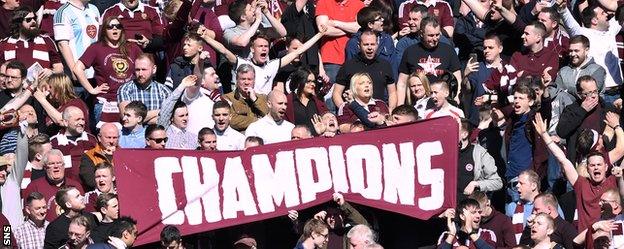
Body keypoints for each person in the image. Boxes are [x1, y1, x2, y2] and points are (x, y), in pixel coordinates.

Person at [535, 112, 622, 232]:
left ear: (606, 167)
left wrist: (620, 178)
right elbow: (563, 159)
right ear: (587, 168)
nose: (596, 168)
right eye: (592, 165)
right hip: (587, 240)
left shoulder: (614, 181)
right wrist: (545, 135)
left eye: (599, 165)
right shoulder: (581, 184)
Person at [203, 28, 325, 94]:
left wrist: (319, 35)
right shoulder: (244, 64)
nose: (264, 49)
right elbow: (224, 51)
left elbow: (298, 51)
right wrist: (205, 37)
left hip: (265, 109)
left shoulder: (272, 65)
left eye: (266, 46)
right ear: (252, 48)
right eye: (260, 46)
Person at [73, 17, 142, 127]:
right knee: (108, 137)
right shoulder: (96, 48)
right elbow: (77, 68)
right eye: (110, 27)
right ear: (104, 30)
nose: (115, 29)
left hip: (130, 101)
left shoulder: (132, 48)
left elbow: (145, 67)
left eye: (118, 26)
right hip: (106, 101)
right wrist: (91, 90)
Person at [557, 0, 622, 104]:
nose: (607, 14)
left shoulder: (611, 30)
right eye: (602, 13)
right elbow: (569, 22)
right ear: (594, 20)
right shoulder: (583, 34)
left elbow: (622, 12)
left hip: (619, 92)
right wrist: (563, 8)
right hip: (601, 95)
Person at [396, 16, 461, 105]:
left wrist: (457, 97)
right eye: (430, 35)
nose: (434, 39)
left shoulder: (448, 50)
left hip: (443, 102)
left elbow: (457, 77)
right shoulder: (410, 51)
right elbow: (402, 83)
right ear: (421, 33)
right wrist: (400, 106)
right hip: (418, 103)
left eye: (437, 35)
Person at [334, 30, 396, 111]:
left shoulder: (385, 65)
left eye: (372, 44)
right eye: (366, 44)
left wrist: (390, 111)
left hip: (379, 113)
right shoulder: (348, 66)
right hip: (355, 115)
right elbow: (336, 93)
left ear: (377, 45)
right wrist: (346, 110)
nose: (370, 48)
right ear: (359, 46)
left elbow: (392, 92)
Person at [556, 76, 609, 162]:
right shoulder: (571, 110)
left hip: (601, 161)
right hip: (579, 161)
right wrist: (582, 111)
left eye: (595, 92)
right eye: (588, 93)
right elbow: (561, 132)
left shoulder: (606, 108)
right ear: (580, 94)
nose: (593, 96)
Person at [53, 0, 100, 96]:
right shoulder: (62, 12)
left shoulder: (94, 9)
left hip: (96, 74)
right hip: (77, 79)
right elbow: (62, 45)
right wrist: (74, 71)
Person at [24, 149, 84, 222]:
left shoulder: (75, 186)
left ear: (64, 166)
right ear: (45, 167)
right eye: (51, 163)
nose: (56, 166)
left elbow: (83, 212)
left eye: (59, 163)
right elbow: (27, 214)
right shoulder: (34, 187)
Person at [0, 6, 63, 73]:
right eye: (28, 19)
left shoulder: (47, 41)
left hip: (43, 82)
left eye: (34, 18)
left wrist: (51, 72)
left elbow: (59, 67)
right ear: (18, 23)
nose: (33, 21)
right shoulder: (4, 44)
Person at [314, 0, 363, 82]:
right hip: (331, 60)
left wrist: (335, 23)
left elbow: (361, 28)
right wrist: (350, 29)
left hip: (355, 59)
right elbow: (323, 30)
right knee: (331, 93)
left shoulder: (359, 4)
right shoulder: (323, 2)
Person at [117, 53, 172, 125]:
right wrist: (159, 111)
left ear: (154, 69)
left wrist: (138, 119)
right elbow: (127, 119)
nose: (140, 74)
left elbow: (170, 118)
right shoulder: (125, 89)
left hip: (156, 133)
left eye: (144, 69)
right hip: (133, 134)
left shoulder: (164, 91)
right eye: (137, 70)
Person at [457, 119, 502, 203]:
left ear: (464, 134)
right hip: (450, 209)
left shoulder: (480, 153)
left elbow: (497, 182)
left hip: (472, 208)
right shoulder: (447, 153)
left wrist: (476, 184)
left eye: (454, 131)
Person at [49, 106, 97, 179]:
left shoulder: (91, 140)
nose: (81, 123)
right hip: (66, 187)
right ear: (65, 122)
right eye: (77, 119)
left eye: (83, 119)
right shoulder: (54, 143)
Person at [221, 64, 269, 131]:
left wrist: (255, 99)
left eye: (249, 79)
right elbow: (231, 120)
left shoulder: (263, 98)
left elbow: (269, 117)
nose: (246, 82)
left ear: (254, 81)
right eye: (243, 79)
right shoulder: (227, 98)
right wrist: (258, 120)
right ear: (237, 80)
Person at [157, 75, 199, 149]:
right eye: (181, 116)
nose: (185, 118)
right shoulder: (164, 132)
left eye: (186, 115)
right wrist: (182, 86)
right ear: (172, 118)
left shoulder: (193, 138)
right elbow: (167, 107)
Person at [284, 67, 328, 134]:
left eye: (313, 81)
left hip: (317, 141)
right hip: (296, 142)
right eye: (308, 81)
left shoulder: (318, 102)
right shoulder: (288, 102)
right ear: (299, 82)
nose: (313, 84)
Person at [181, 62, 220, 135]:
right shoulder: (193, 95)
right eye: (212, 74)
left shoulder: (218, 98)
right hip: (194, 142)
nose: (217, 76)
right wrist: (200, 60)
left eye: (215, 73)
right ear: (202, 80)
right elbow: (196, 79)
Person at [79, 123, 118, 191]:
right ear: (99, 138)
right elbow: (90, 181)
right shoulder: (89, 156)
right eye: (108, 137)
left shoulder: (124, 155)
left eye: (115, 138)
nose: (111, 141)